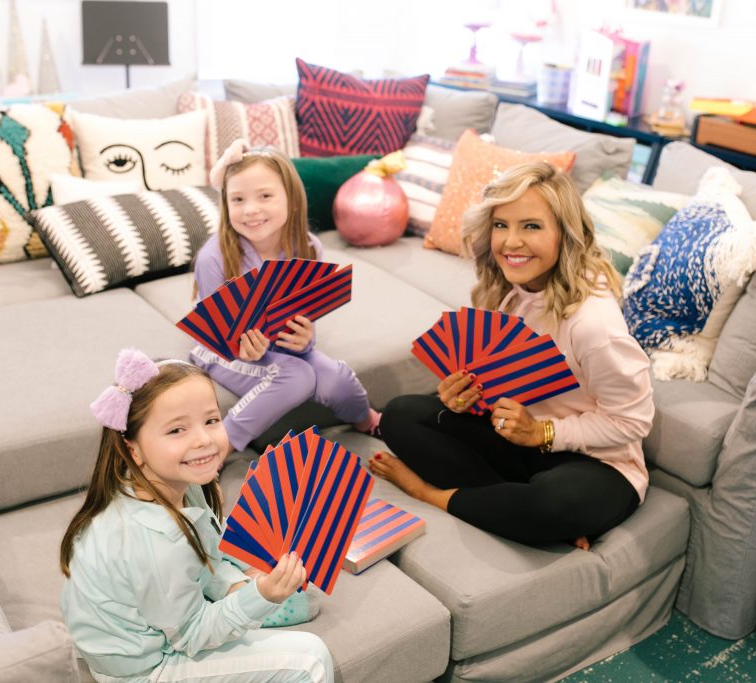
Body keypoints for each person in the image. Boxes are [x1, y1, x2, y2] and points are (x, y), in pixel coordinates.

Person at [370, 162, 653, 550]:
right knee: (401, 415)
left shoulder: (593, 324)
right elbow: (504, 391)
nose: (510, 242)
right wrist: (463, 399)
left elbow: (632, 422)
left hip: (595, 461)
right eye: (501, 225)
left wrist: (543, 433)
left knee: (551, 505)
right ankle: (513, 507)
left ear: (565, 234)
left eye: (531, 226)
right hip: (518, 442)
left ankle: (431, 494)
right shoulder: (508, 291)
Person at [60, 348, 333, 683]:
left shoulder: (172, 480)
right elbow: (191, 635)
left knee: (300, 595)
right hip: (145, 669)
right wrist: (260, 595)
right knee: (311, 659)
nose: (204, 440)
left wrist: (241, 582)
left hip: (160, 615)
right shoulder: (153, 541)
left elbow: (206, 546)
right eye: (177, 430)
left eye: (211, 420)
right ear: (133, 448)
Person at [191, 140, 380, 452]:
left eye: (265, 196)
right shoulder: (214, 259)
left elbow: (305, 315)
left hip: (280, 344)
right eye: (237, 199)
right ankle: (220, 444)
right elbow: (217, 337)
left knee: (338, 381)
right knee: (297, 376)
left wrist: (306, 339)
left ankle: (367, 421)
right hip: (222, 351)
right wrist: (244, 351)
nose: (250, 209)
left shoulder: (308, 248)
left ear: (292, 200)